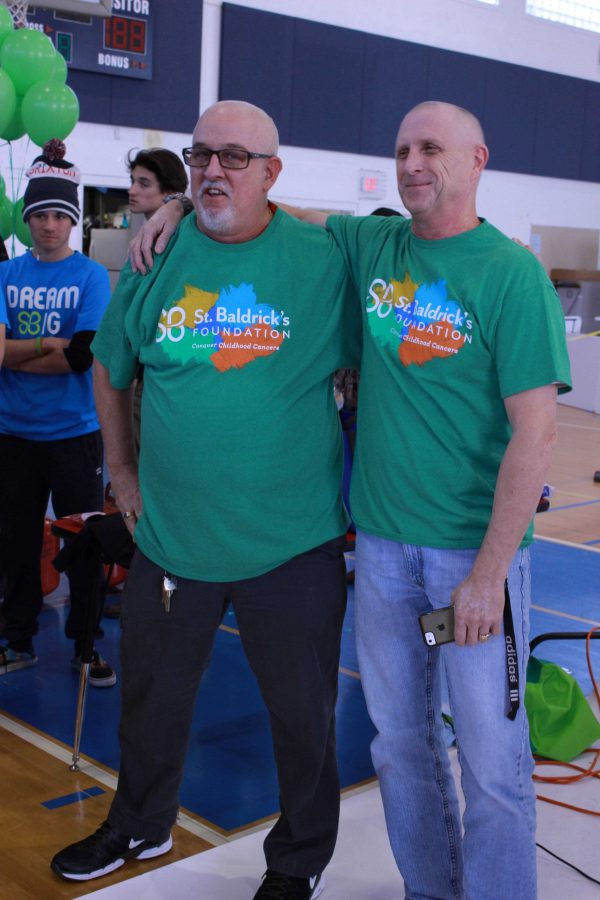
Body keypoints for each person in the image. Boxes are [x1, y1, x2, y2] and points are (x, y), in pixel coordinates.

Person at [130, 101, 571, 900]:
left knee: (493, 763)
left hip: (469, 557)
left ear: (478, 160)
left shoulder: (511, 275)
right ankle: (430, 891)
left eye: (431, 148)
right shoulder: (374, 244)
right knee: (401, 747)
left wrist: (488, 576)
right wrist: (174, 200)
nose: (411, 164)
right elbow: (272, 205)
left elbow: (536, 437)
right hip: (381, 550)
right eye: (402, 148)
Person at [50, 101, 360, 900]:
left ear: (272, 174)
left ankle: (298, 861)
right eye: (200, 157)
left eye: (234, 157)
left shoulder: (322, 258)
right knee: (151, 702)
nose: (213, 170)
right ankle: (141, 824)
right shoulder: (157, 256)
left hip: (290, 544)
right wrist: (119, 469)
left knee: (302, 721)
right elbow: (110, 367)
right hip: (171, 537)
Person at [0, 139, 114, 687]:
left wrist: (22, 351)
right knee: (15, 542)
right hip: (13, 435)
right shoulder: (5, 276)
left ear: (72, 222)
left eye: (58, 216)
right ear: (27, 220)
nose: (49, 225)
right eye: (40, 215)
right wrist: (51, 343)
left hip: (75, 435)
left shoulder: (91, 277)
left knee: (85, 543)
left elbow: (81, 357)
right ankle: (16, 638)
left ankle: (86, 644)